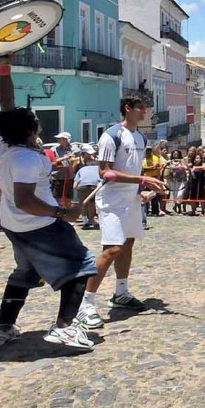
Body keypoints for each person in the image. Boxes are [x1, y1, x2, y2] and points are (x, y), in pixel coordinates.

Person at [0, 57, 97, 349]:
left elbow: (6, 101)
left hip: (15, 225)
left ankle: (3, 328)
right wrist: (61, 212)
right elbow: (25, 200)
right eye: (36, 123)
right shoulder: (25, 158)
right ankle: (65, 328)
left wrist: (4, 68)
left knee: (25, 272)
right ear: (31, 131)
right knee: (81, 267)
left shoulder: (6, 145)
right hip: (39, 224)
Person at [75, 96, 166, 331]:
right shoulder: (111, 135)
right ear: (128, 108)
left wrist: (140, 191)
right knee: (112, 248)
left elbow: (133, 168)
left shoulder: (141, 137)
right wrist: (142, 179)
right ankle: (85, 304)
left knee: (128, 245)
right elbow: (105, 172)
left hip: (131, 199)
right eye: (141, 108)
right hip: (112, 200)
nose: (145, 112)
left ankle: (121, 293)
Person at [73, 147, 101, 229]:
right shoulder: (98, 169)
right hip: (93, 186)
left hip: (82, 186)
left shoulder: (82, 169)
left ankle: (85, 221)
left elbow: (75, 183)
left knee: (83, 203)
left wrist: (75, 189)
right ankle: (91, 220)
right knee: (92, 203)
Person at [49, 132, 74, 206]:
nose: (58, 140)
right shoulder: (53, 149)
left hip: (69, 177)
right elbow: (52, 161)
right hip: (57, 177)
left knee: (68, 197)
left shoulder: (75, 149)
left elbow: (75, 160)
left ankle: (67, 212)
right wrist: (64, 158)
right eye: (58, 138)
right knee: (56, 196)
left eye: (61, 138)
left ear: (66, 140)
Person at [165, 150, 188, 215]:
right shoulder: (170, 161)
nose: (176, 155)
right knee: (175, 195)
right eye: (174, 154)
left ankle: (178, 207)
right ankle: (178, 208)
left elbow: (185, 167)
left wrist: (181, 165)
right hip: (173, 180)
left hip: (182, 180)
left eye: (177, 154)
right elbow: (168, 168)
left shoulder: (182, 160)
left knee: (180, 194)